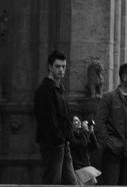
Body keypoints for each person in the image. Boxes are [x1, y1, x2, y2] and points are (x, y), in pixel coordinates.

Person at [95, 61, 127, 186]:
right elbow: (99, 122)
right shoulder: (108, 97)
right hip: (112, 152)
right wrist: (108, 142)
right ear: (124, 77)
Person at [34, 50, 76, 185]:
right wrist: (59, 139)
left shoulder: (59, 89)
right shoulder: (45, 90)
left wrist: (67, 137)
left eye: (64, 67)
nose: (61, 70)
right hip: (53, 144)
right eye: (58, 66)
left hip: (62, 142)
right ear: (50, 67)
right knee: (53, 181)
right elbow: (47, 121)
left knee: (69, 182)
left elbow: (64, 116)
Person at [68, 116, 100, 185]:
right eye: (76, 120)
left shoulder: (82, 135)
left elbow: (94, 146)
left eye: (79, 120)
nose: (79, 121)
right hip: (77, 169)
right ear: (70, 124)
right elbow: (82, 145)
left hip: (86, 168)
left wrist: (91, 133)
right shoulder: (70, 136)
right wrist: (86, 132)